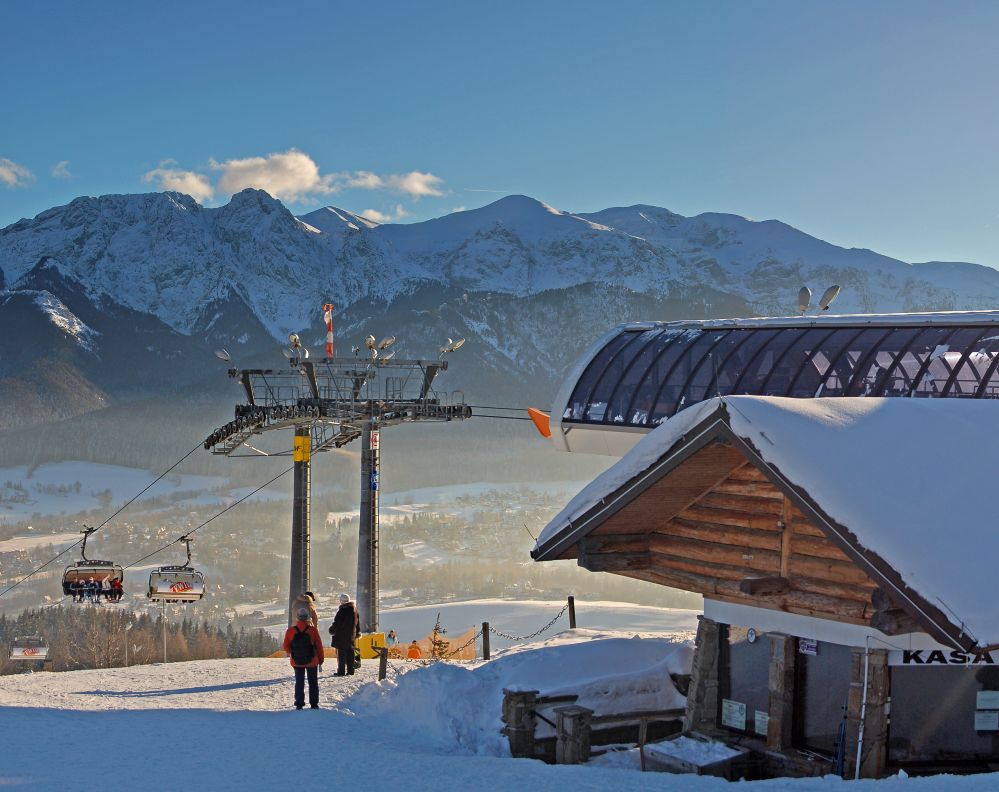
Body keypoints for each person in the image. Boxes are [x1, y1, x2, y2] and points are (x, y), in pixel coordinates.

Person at [282, 606, 325, 709]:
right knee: (313, 682)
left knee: (299, 682)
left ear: (297, 617)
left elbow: (286, 646)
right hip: (312, 660)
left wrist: (292, 653)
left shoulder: (291, 631)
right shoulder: (313, 630)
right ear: (307, 618)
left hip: (297, 661)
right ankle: (314, 704)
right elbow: (319, 646)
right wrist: (321, 660)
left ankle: (299, 703)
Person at [329, 593, 360, 676]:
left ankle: (341, 671)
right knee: (350, 653)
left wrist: (331, 630)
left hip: (341, 636)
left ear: (341, 601)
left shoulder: (342, 611)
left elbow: (337, 623)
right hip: (351, 636)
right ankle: (351, 671)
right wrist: (357, 633)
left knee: (341, 654)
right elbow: (357, 624)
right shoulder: (355, 610)